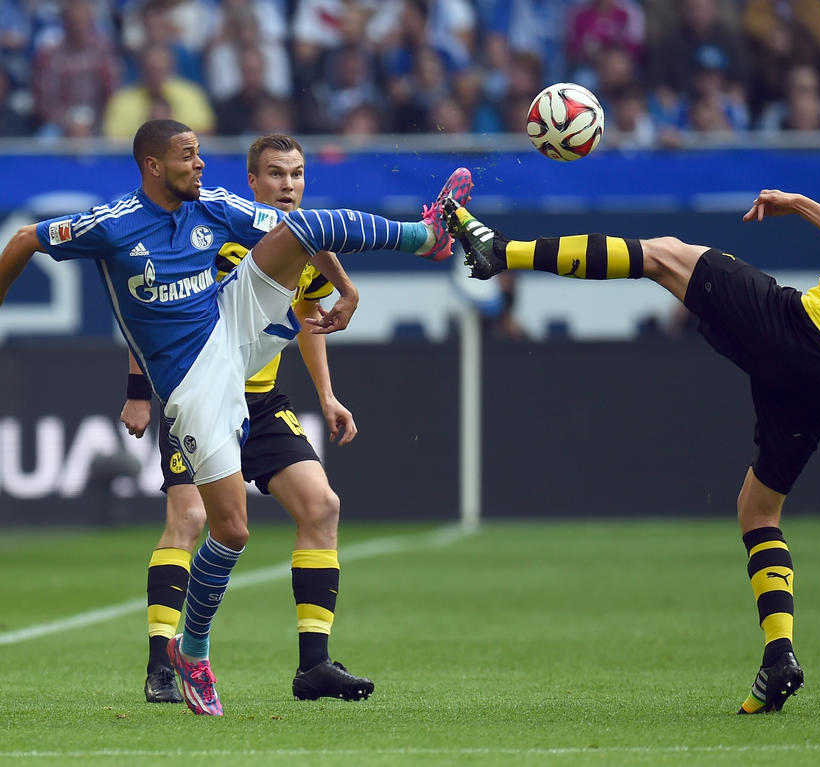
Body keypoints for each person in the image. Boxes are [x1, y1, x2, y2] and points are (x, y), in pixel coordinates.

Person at [443, 104, 820, 713]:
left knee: (666, 255)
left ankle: (499, 252)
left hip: (809, 332)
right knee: (758, 508)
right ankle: (779, 657)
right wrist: (803, 205)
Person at [0, 118, 473, 716]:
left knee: (301, 226)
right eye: (188, 156)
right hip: (195, 388)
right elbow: (22, 240)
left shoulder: (215, 208)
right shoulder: (113, 226)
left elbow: (301, 241)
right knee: (231, 530)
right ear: (153, 165)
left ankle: (423, 235)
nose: (200, 165)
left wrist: (342, 289)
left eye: (200, 155)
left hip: (233, 328)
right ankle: (188, 651)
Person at [121, 133, 371, 705]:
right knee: (187, 519)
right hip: (201, 399)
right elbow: (151, 316)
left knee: (322, 506)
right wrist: (138, 392)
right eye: (277, 175)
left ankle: (315, 667)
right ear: (252, 183)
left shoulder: (303, 245)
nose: (288, 185)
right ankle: (163, 663)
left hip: (260, 403)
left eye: (297, 174)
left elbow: (307, 316)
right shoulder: (210, 232)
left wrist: (327, 395)